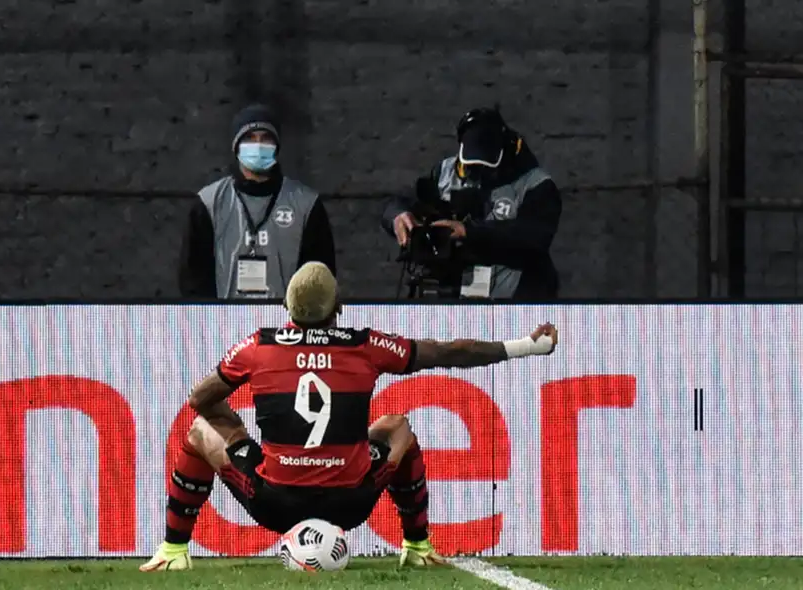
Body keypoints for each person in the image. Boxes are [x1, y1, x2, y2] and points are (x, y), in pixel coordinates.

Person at [141, 261, 558, 571]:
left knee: (201, 429)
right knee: (397, 427)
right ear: (338, 305)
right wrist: (526, 346)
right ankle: (417, 545)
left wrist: (235, 432)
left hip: (274, 503)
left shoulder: (257, 346)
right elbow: (448, 352)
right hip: (351, 501)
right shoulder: (365, 345)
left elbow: (199, 399)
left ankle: (174, 549)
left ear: (286, 305)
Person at [382, 107, 562, 300]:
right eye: (471, 165)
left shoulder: (535, 184)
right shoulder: (444, 173)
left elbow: (534, 235)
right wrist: (398, 216)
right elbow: (400, 201)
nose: (478, 172)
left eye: (485, 166)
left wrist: (468, 231)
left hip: (514, 296)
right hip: (454, 294)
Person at [178, 104, 336, 299]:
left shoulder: (306, 205)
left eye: (266, 138)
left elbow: (320, 277)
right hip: (225, 316)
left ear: (277, 146)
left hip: (285, 317)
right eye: (250, 138)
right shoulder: (209, 203)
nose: (258, 145)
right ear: (236, 146)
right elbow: (192, 278)